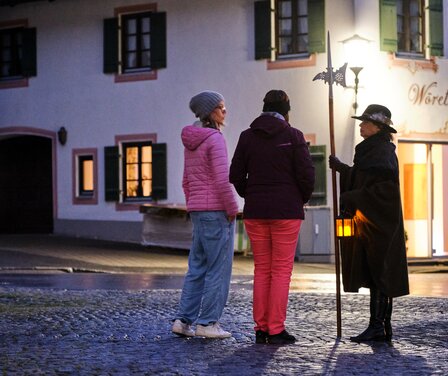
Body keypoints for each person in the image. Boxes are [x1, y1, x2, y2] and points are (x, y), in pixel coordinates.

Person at [229, 90, 315, 345]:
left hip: (256, 211)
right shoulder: (293, 135)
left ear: (263, 107)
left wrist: (250, 193)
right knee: (280, 271)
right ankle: (276, 328)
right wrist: (300, 198)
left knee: (262, 270)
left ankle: (261, 328)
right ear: (286, 110)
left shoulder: (247, 137)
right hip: (286, 212)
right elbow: (307, 174)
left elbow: (235, 174)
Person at [329, 104, 409, 343]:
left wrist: (354, 196)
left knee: (381, 272)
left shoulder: (382, 152)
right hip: (372, 223)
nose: (361, 125)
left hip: (382, 224)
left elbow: (384, 190)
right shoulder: (371, 151)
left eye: (365, 122)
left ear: (377, 127)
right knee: (376, 272)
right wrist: (344, 170)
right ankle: (380, 327)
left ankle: (379, 327)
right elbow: (364, 178)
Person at [172, 90, 239, 339]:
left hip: (199, 211)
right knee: (218, 268)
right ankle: (208, 323)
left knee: (197, 267)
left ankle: (183, 321)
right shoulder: (215, 139)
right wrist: (232, 209)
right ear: (211, 112)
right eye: (221, 107)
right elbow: (223, 180)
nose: (225, 111)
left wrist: (193, 206)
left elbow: (185, 181)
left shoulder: (191, 140)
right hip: (217, 211)